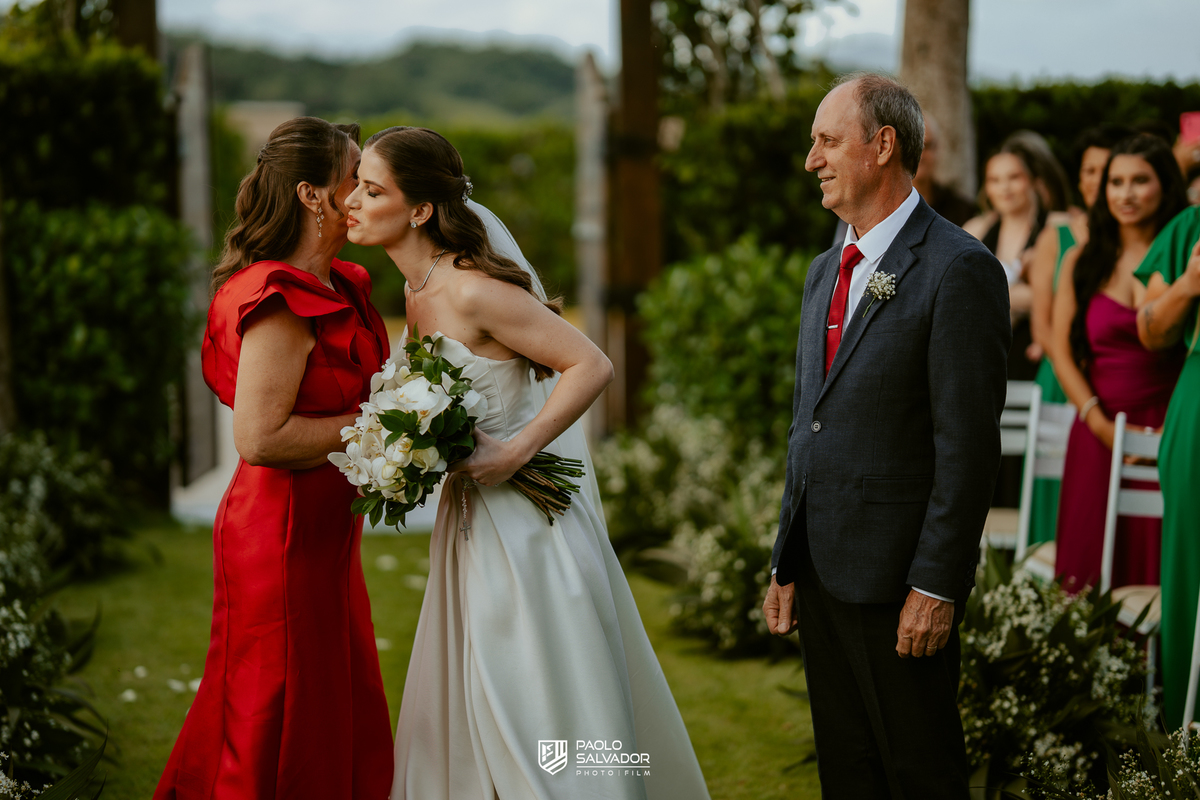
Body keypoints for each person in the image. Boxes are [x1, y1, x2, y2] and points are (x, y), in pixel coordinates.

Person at [344, 126, 710, 800]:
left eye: (371, 191)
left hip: (527, 535)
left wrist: (516, 450)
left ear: (420, 209)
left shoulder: (471, 289)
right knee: (475, 706)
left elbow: (590, 364)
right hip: (468, 525)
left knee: (539, 712)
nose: (352, 203)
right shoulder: (416, 291)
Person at [763, 73, 1009, 799]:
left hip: (901, 581)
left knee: (920, 776)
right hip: (821, 570)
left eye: (827, 141)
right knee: (848, 776)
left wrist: (935, 583)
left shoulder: (959, 268)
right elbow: (808, 423)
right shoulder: (823, 271)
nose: (811, 159)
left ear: (883, 145)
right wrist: (786, 558)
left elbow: (967, 448)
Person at [154, 118, 395, 799]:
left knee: (326, 694)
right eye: (355, 177)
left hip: (327, 530)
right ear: (312, 195)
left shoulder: (343, 283)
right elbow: (259, 439)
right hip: (280, 532)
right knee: (275, 706)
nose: (364, 192)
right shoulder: (280, 298)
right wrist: (383, 428)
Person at [1049, 134, 1186, 591]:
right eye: (1116, 182)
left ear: (1166, 185)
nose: (1126, 194)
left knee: (1162, 560)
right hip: (1098, 427)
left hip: (1169, 427)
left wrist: (1174, 430)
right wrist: (1099, 424)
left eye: (1140, 181)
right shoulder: (1082, 260)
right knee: (1089, 569)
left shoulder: (1187, 257)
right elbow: (1061, 350)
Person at [1022, 124, 1131, 549]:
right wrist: (1075, 372)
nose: (1095, 180)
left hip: (1115, 381)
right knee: (1058, 487)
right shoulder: (1058, 236)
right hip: (1060, 377)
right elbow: (1043, 325)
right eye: (1088, 170)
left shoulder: (1135, 239)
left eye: (1105, 170)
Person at [1135, 199, 1200, 729]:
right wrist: (1190, 283)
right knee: (1191, 563)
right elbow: (1151, 330)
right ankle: (1189, 735)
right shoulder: (1190, 227)